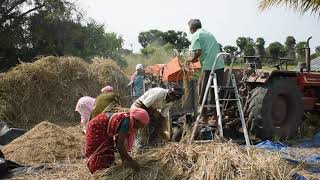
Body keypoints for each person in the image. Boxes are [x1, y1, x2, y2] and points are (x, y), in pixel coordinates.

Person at [85, 107, 150, 174]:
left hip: (104, 129)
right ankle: (98, 172)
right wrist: (130, 161)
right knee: (100, 150)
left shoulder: (128, 120)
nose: (140, 128)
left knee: (108, 148)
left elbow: (118, 141)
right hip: (97, 127)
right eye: (142, 125)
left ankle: (108, 169)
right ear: (136, 120)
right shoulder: (126, 123)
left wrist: (124, 160)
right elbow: (120, 145)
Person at [186, 19, 225, 125]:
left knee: (202, 88)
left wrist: (190, 60)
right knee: (216, 91)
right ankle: (216, 117)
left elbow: (198, 52)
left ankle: (203, 117)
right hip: (220, 64)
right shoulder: (208, 34)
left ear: (192, 28)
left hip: (209, 65)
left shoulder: (196, 35)